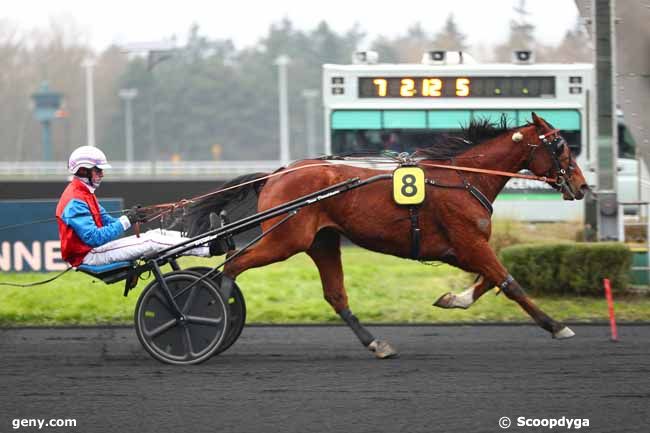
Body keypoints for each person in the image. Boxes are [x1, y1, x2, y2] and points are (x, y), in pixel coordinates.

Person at [56, 146, 218, 267]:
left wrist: (132, 217)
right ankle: (209, 247)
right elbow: (95, 238)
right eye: (98, 170)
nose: (102, 174)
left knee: (154, 233)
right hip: (87, 256)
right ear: (83, 171)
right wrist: (126, 220)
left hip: (95, 250)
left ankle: (210, 239)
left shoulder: (85, 193)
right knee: (151, 240)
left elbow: (108, 221)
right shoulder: (75, 201)